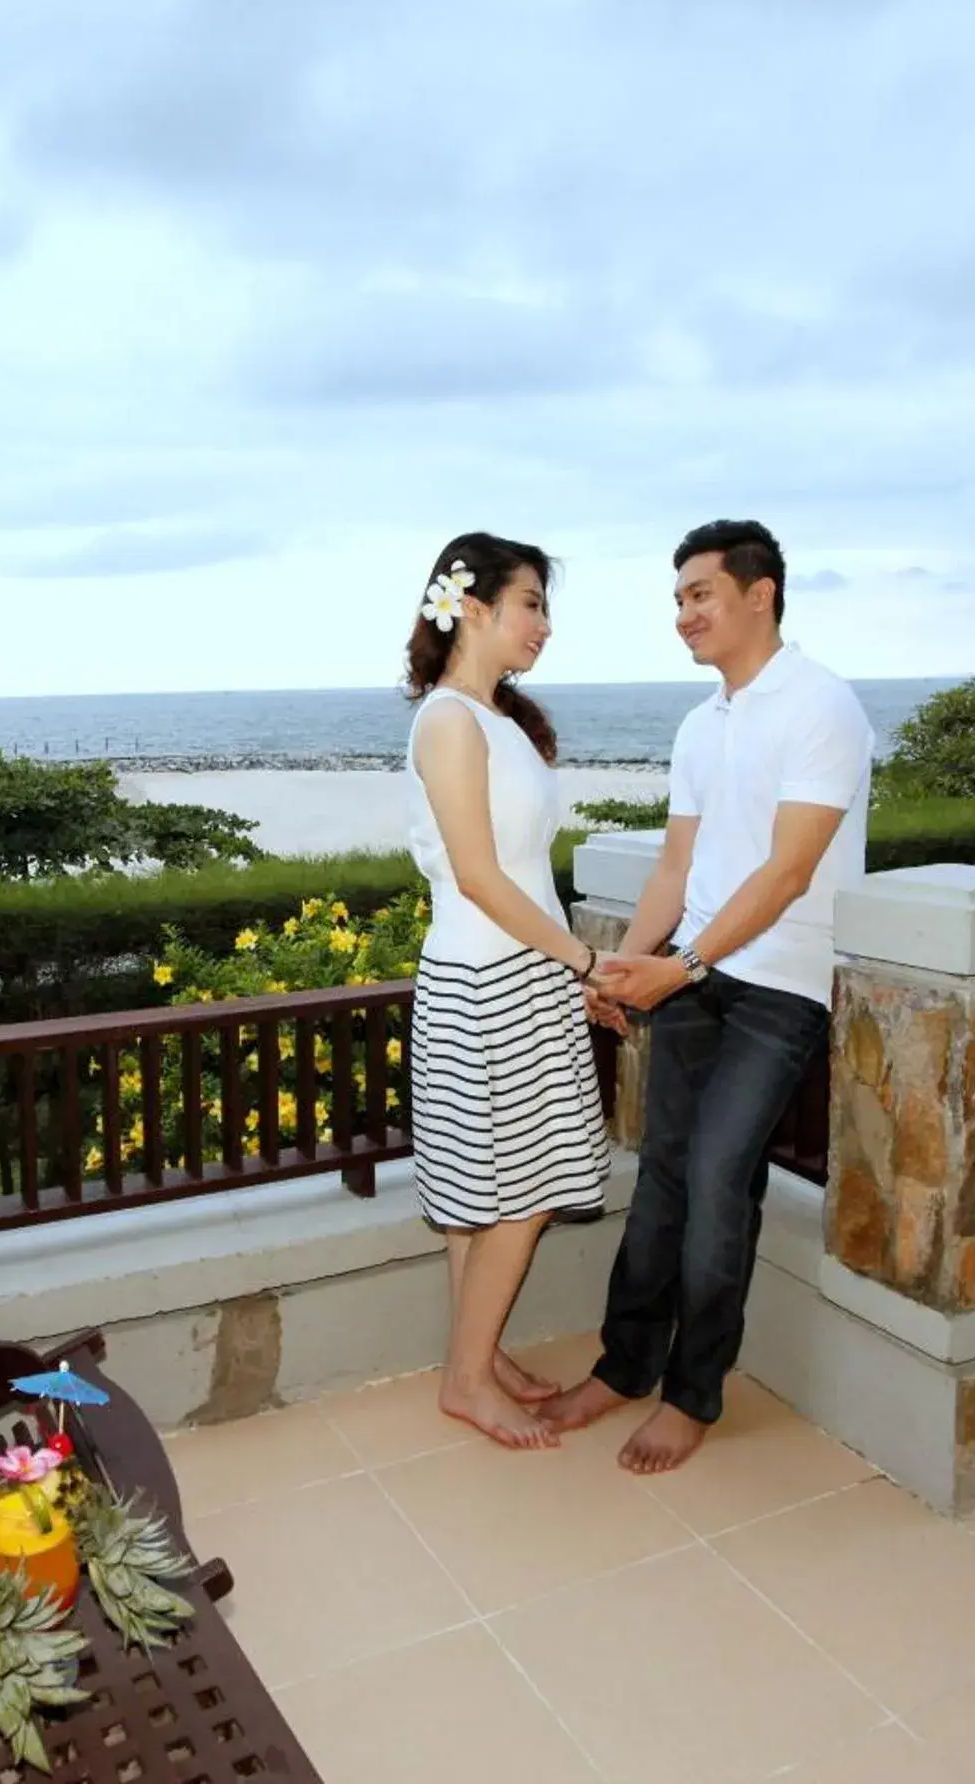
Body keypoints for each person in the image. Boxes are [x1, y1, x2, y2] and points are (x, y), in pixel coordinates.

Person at [550, 520, 873, 1473]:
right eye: (680, 598)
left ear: (759, 593)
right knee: (661, 1176)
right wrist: (615, 971)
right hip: (696, 972)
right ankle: (623, 1367)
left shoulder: (823, 706)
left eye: (700, 594)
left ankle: (696, 1394)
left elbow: (787, 873)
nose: (684, 613)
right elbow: (677, 868)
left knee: (720, 1179)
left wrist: (678, 968)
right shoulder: (703, 724)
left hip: (781, 987)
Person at [403, 532, 616, 1450]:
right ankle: (466, 1378)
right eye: (531, 603)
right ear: (475, 605)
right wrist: (582, 962)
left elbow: (522, 874)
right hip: (491, 976)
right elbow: (482, 877)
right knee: (519, 1188)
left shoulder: (491, 719)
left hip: (516, 971)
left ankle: (477, 1360)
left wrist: (562, 966)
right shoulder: (448, 720)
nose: (544, 625)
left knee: (484, 1192)